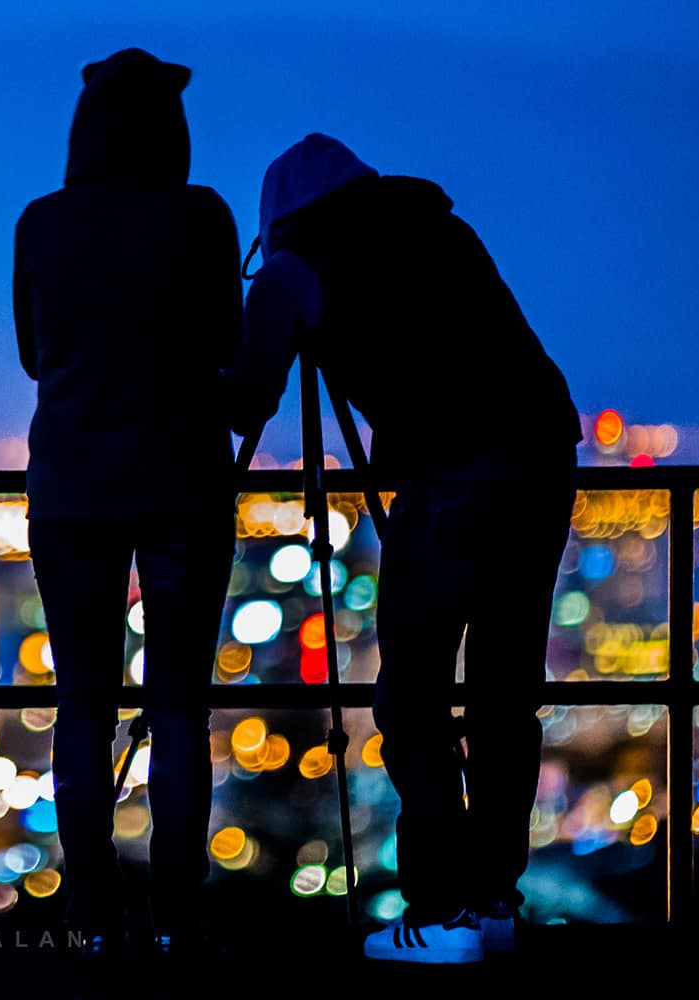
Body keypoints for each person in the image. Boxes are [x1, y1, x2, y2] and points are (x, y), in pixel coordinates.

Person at [223, 134, 582, 964]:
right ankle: (493, 902)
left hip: (451, 477)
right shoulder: (437, 230)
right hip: (541, 462)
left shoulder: (297, 269)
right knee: (501, 699)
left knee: (412, 701)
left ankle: (439, 908)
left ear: (279, 225)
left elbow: (246, 401)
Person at [13, 48, 242, 958]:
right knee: (181, 706)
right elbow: (228, 343)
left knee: (83, 702)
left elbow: (34, 355)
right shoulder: (202, 216)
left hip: (70, 486)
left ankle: (92, 910)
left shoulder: (43, 222)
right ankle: (179, 914)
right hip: (184, 480)